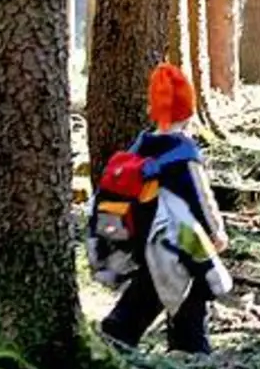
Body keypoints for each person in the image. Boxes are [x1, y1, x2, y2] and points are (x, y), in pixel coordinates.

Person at [98, 64, 231, 354]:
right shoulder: (183, 153)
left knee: (147, 291)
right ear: (187, 111)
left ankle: (116, 336)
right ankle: (191, 352)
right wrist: (217, 232)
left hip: (143, 239)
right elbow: (201, 198)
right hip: (181, 242)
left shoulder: (139, 148)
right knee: (190, 301)